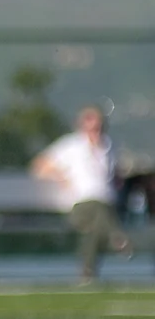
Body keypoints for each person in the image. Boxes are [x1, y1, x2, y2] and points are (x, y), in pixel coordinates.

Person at [33, 105, 126, 283]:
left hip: (106, 205)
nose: (94, 132)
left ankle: (87, 275)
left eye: (98, 128)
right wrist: (60, 176)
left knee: (94, 228)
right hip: (79, 205)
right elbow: (39, 165)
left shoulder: (108, 146)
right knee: (96, 210)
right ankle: (117, 237)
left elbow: (115, 175)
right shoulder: (71, 146)